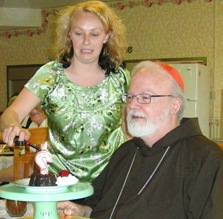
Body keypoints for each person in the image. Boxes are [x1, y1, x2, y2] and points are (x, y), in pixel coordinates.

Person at [57, 61, 223, 218]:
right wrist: (82, 210)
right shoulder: (125, 152)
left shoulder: (205, 158)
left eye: (145, 97)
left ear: (175, 105)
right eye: (130, 97)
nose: (133, 105)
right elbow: (98, 204)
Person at [0, 0, 130, 183]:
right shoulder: (50, 75)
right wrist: (13, 126)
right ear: (69, 34)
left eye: (94, 34)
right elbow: (10, 114)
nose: (86, 41)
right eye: (78, 33)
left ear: (107, 36)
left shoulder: (121, 78)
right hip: (60, 183)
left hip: (112, 183)